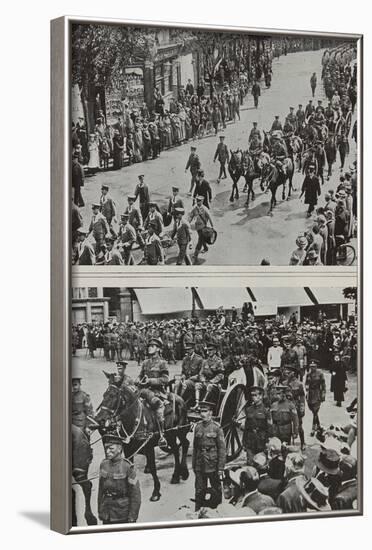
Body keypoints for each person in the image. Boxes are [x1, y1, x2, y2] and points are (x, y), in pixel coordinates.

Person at [98, 433, 141, 524]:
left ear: (119, 449)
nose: (107, 451)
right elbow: (100, 490)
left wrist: (133, 516)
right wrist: (100, 510)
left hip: (122, 514)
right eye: (106, 448)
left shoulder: (127, 467)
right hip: (107, 512)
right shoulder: (103, 465)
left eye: (111, 448)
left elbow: (135, 495)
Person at [192, 401, 226, 511]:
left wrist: (220, 468)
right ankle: (198, 510)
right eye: (201, 411)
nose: (202, 414)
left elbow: (222, 449)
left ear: (210, 412)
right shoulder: (197, 427)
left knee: (216, 490)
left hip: (213, 464)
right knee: (199, 490)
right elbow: (195, 448)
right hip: (200, 464)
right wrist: (194, 465)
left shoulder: (216, 428)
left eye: (205, 411)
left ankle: (218, 510)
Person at [136, 337, 169, 446]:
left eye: (153, 346)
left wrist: (151, 381)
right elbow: (140, 376)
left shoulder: (162, 363)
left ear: (158, 349)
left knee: (159, 410)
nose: (150, 348)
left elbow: (165, 379)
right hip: (143, 391)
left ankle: (162, 434)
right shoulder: (145, 362)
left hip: (157, 392)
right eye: (149, 346)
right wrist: (137, 380)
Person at [243, 386, 272, 466]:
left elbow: (269, 427)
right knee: (250, 463)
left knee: (261, 464)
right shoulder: (249, 410)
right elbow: (246, 427)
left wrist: (268, 442)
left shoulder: (266, 410)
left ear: (261, 396)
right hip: (250, 439)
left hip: (261, 440)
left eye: (255, 395)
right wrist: (244, 442)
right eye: (252, 395)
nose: (253, 397)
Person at [188, 195, 214, 264]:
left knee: (200, 241)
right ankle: (205, 248)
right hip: (197, 228)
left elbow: (210, 217)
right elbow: (191, 216)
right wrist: (188, 223)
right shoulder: (195, 208)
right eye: (197, 201)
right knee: (201, 239)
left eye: (199, 201)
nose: (198, 202)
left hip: (203, 228)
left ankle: (195, 255)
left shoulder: (205, 209)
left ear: (202, 201)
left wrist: (212, 227)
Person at [305, 359, 326, 436]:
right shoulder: (308, 374)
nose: (312, 368)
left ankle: (313, 428)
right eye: (311, 366)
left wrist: (323, 394)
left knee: (315, 411)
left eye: (314, 366)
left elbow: (323, 385)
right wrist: (307, 391)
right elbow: (306, 383)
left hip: (317, 393)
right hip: (310, 394)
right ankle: (319, 426)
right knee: (313, 410)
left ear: (316, 366)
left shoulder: (320, 374)